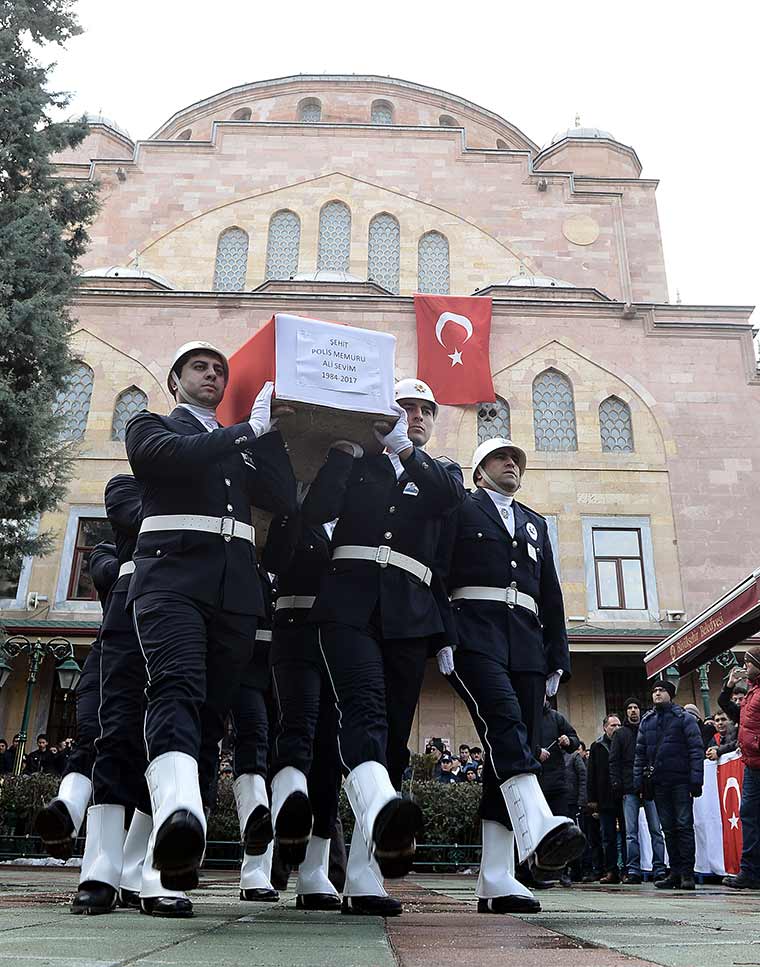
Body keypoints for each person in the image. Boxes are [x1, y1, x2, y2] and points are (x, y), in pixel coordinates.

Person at [125, 341, 297, 893]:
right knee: (176, 688)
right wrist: (246, 430)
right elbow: (165, 459)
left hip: (233, 594)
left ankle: (162, 858)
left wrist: (268, 434)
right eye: (199, 367)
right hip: (173, 581)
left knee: (207, 717)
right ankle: (167, 840)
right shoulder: (154, 425)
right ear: (175, 380)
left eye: (220, 371)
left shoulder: (241, 445)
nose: (212, 376)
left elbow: (283, 498)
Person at [311, 378, 465, 880]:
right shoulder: (357, 462)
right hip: (349, 601)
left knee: (395, 736)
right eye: (405, 407)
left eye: (426, 409)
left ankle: (363, 873)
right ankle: (360, 847)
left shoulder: (442, 473)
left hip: (410, 613)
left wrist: (443, 632)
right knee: (365, 710)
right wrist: (342, 452)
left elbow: (448, 520)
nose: (416, 415)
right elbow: (316, 512)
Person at [439, 436, 583, 915]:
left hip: (524, 643)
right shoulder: (461, 509)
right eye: (501, 458)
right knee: (504, 721)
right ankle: (538, 826)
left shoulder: (535, 523)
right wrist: (441, 634)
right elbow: (439, 571)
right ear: (479, 471)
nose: (510, 465)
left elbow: (551, 594)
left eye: (516, 460)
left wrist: (555, 657)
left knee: (504, 754)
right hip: (473, 632)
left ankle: (496, 878)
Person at [34, 543, 118, 864]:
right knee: (90, 739)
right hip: (106, 659)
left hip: (152, 660)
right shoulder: (106, 552)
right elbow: (104, 572)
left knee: (125, 756)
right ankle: (65, 810)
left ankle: (116, 863)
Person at [633, 680, 704, 890]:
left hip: (680, 781)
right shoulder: (647, 721)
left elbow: (695, 749)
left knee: (683, 826)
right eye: (654, 691)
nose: (657, 694)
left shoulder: (684, 719)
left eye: (661, 690)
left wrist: (696, 780)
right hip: (659, 782)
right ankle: (674, 872)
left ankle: (687, 874)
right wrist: (638, 782)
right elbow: (640, 754)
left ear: (670, 694)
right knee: (669, 829)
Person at [609, 698, 667, 884]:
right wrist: (617, 784)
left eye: (635, 707)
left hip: (649, 785)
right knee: (631, 832)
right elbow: (614, 761)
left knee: (655, 830)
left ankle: (659, 868)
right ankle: (633, 869)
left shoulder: (648, 731)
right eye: (629, 708)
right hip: (628, 787)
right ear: (625, 712)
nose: (633, 711)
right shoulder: (621, 734)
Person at [719, 653, 760, 888]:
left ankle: (751, 871)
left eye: (749, 662)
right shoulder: (752, 692)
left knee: (751, 817)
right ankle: (751, 872)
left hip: (756, 760)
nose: (745, 666)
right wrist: (728, 687)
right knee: (750, 817)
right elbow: (733, 712)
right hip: (752, 765)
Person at [587, 714, 624, 884]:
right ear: (604, 728)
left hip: (622, 795)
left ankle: (627, 869)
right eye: (612, 726)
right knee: (607, 836)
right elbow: (591, 774)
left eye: (618, 725)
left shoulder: (625, 743)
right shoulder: (597, 746)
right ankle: (611, 870)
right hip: (604, 798)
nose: (615, 729)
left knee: (626, 834)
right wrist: (592, 799)